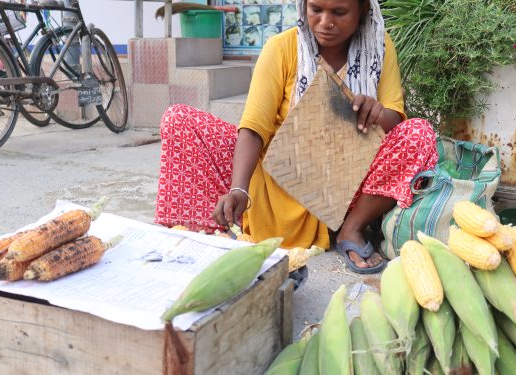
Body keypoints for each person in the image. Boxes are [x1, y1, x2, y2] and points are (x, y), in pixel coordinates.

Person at [155, 0, 437, 273]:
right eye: (316, 9)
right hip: (276, 179)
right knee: (180, 120)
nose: (325, 22)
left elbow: (395, 116)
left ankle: (351, 228)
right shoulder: (282, 47)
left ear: (363, 8)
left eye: (339, 12)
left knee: (418, 134)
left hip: (342, 189)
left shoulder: (379, 46)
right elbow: (254, 127)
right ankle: (215, 227)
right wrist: (239, 188)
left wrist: (375, 113)